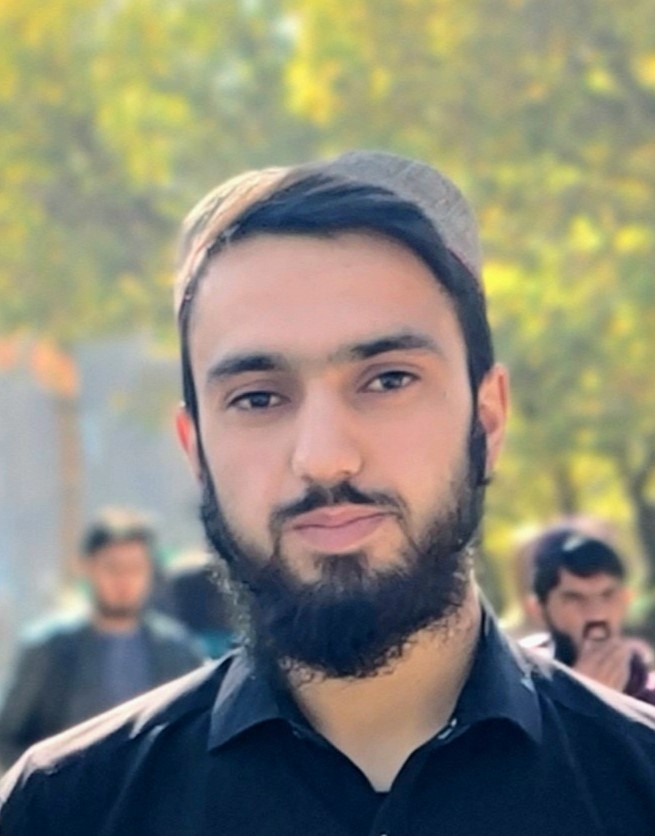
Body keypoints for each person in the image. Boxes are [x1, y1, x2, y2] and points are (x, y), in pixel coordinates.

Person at [2, 151, 655, 835]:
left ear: (487, 418)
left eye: (388, 380)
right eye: (258, 397)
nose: (323, 458)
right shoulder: (63, 811)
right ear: (195, 449)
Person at [0, 507, 205, 771]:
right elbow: (8, 740)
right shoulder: (50, 649)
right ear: (88, 567)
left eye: (135, 568)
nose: (124, 580)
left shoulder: (177, 651)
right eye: (113, 568)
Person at [523, 524, 655, 703]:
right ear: (538, 610)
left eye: (607, 594)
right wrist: (583, 700)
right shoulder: (522, 692)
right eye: (574, 598)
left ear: (626, 599)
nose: (596, 614)